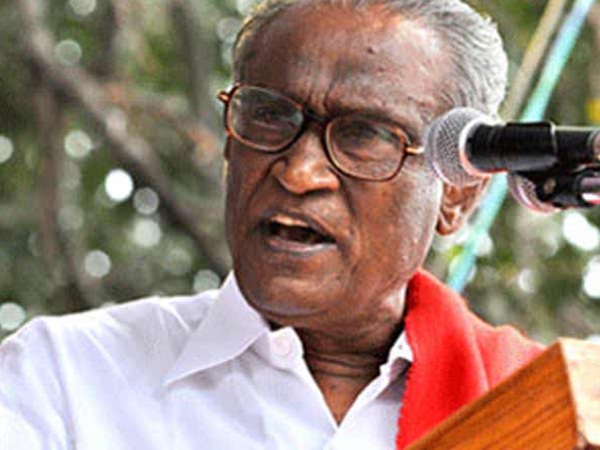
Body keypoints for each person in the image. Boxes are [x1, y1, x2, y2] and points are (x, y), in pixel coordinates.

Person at [0, 0, 544, 448]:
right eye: (269, 115)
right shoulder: (66, 379)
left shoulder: (534, 409)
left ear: (457, 195)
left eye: (364, 135)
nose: (298, 171)